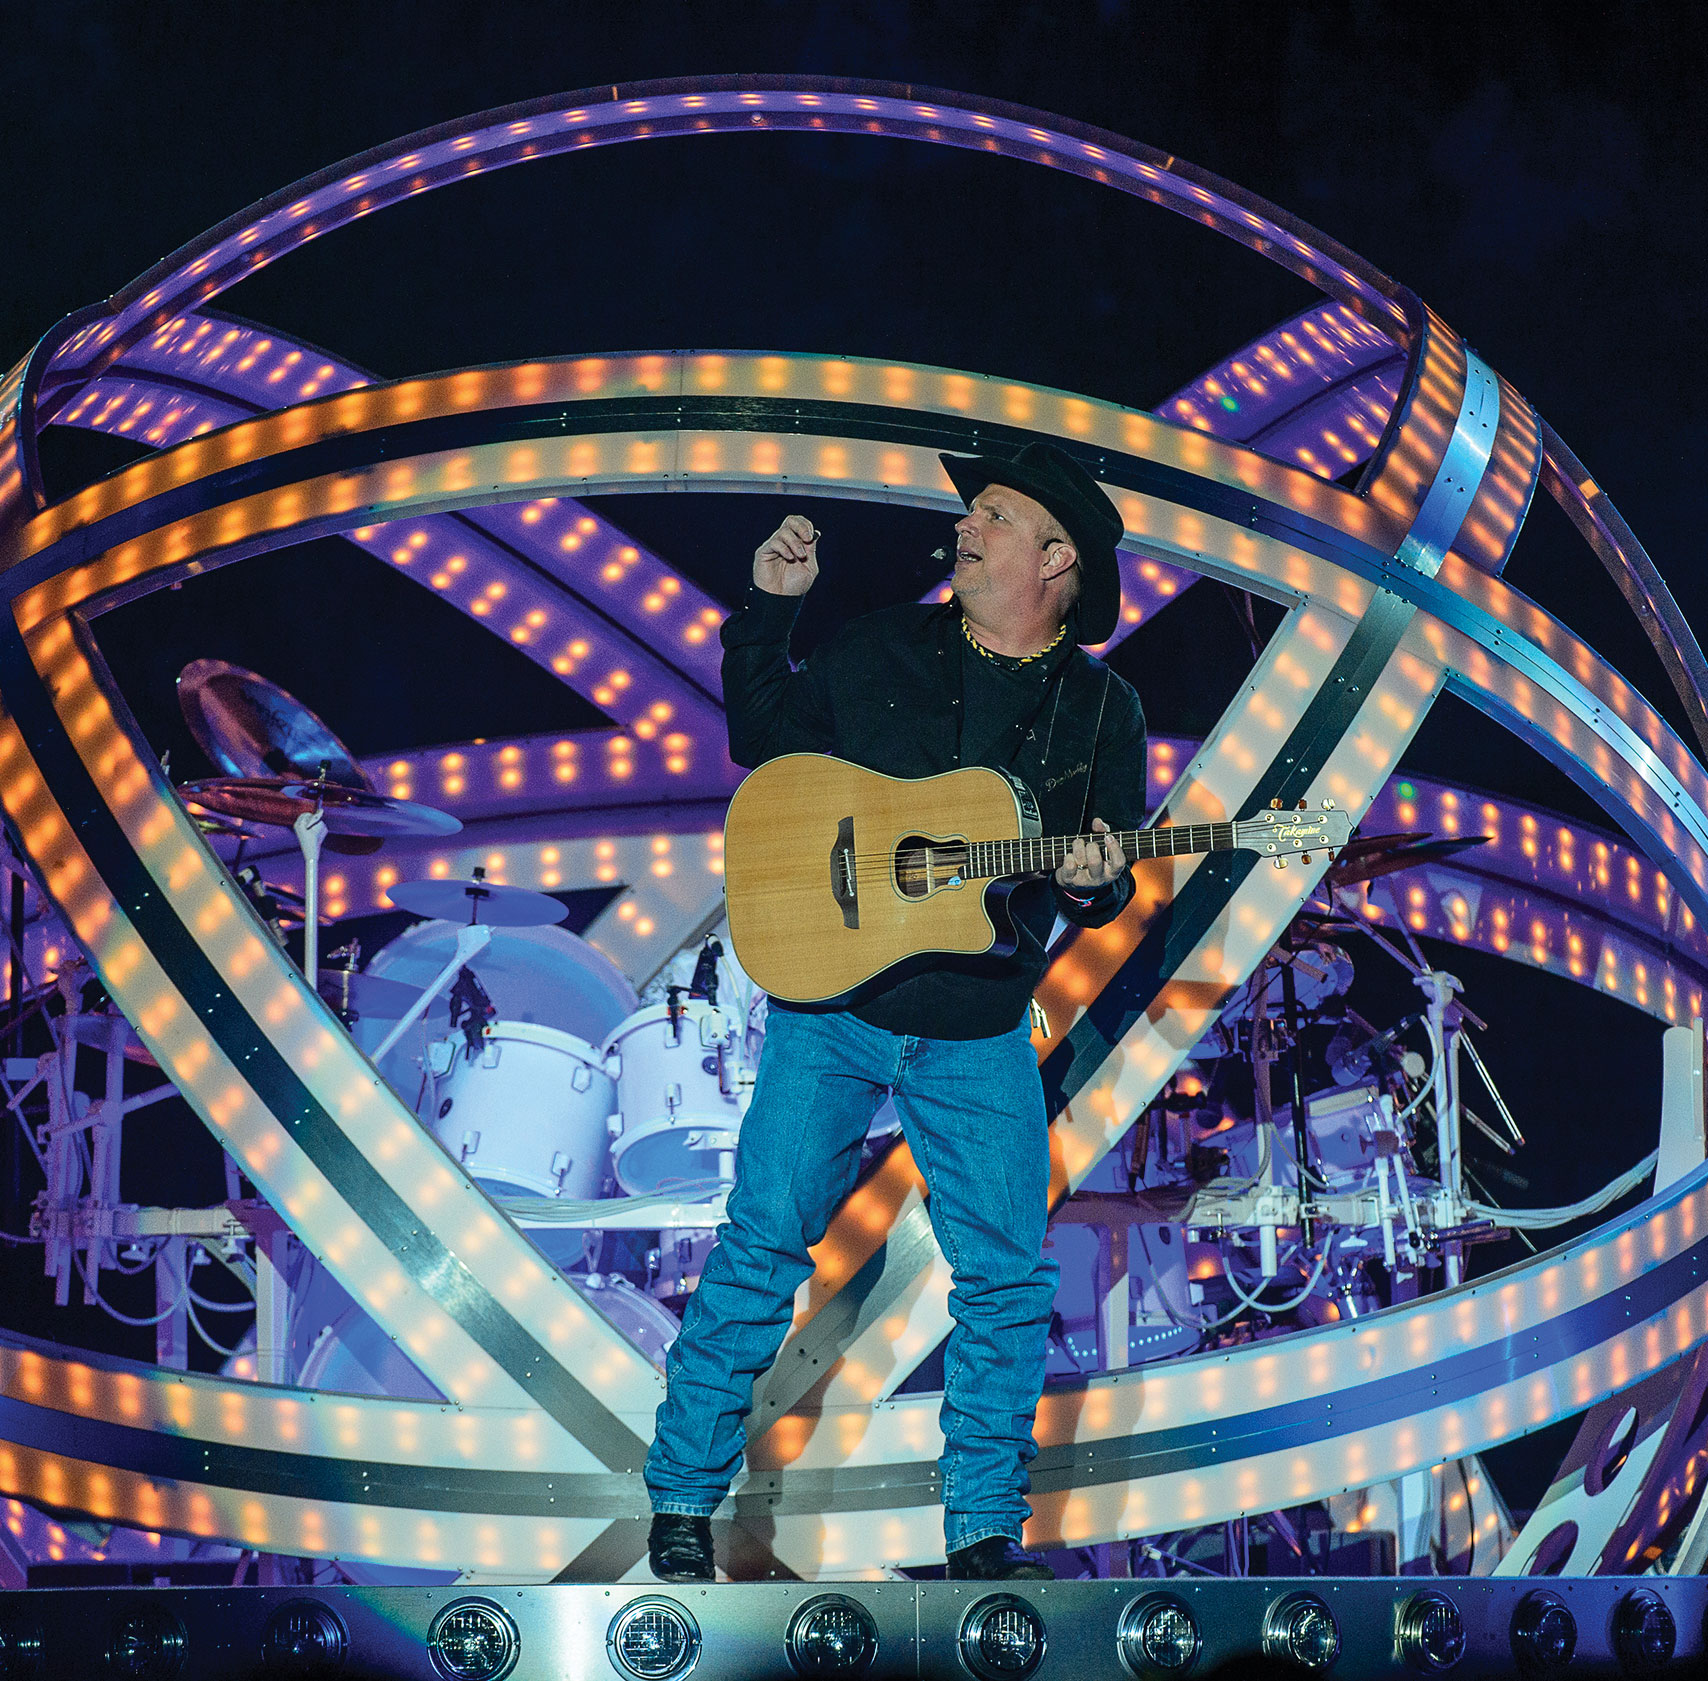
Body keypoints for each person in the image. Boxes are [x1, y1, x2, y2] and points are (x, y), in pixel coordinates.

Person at [645, 442, 1148, 1581]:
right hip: (835, 1003)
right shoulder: (880, 645)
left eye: (993, 515)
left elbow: (1105, 880)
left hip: (977, 1028)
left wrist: (1087, 877)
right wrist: (768, 614)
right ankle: (680, 1500)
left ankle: (978, 1532)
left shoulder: (1102, 710)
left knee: (1010, 1277)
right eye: (970, 513)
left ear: (1055, 556)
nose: (964, 527)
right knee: (763, 1241)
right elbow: (763, 747)